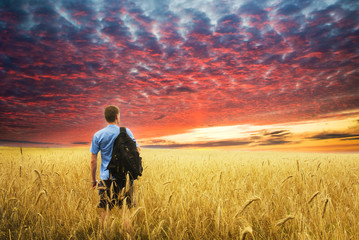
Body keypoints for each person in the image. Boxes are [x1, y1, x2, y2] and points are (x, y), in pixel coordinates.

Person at [90, 105, 140, 228]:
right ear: (117, 116)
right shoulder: (126, 132)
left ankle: (104, 236)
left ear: (105, 117)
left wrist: (93, 180)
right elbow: (137, 151)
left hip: (106, 178)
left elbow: (93, 160)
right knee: (125, 213)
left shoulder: (98, 135)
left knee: (105, 212)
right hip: (124, 177)